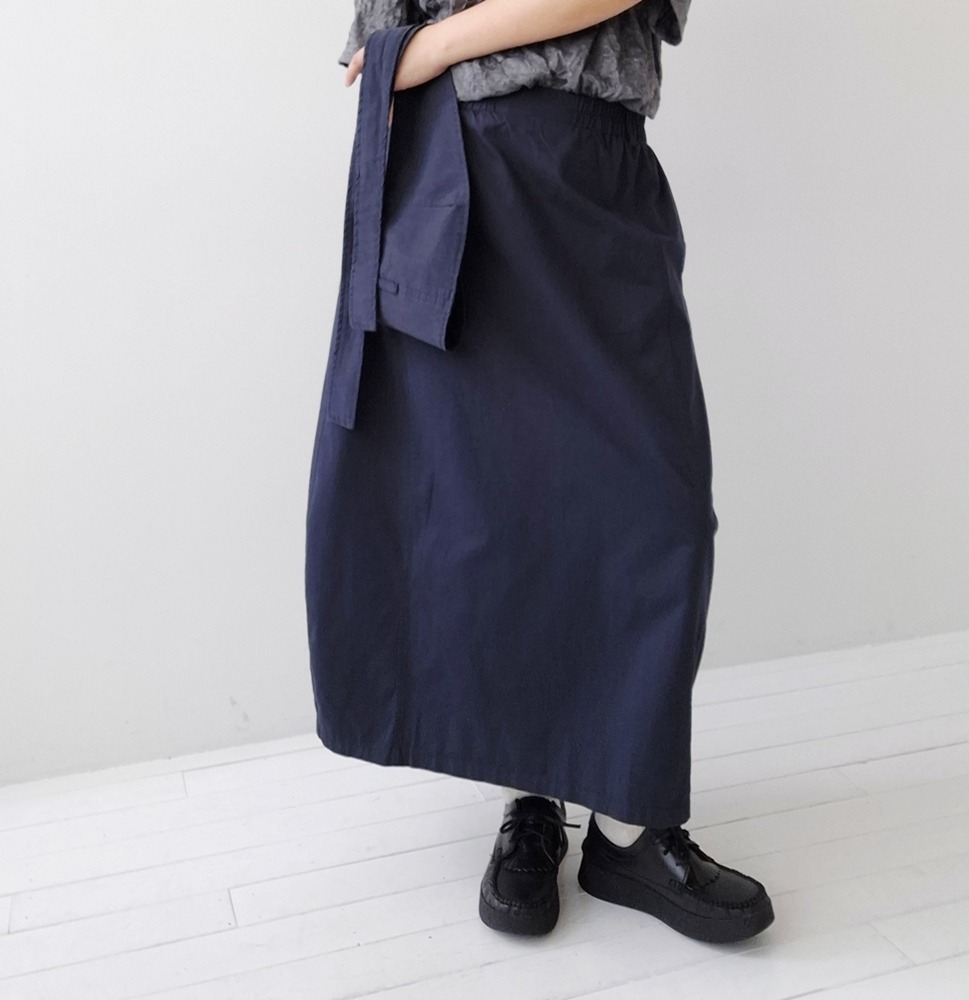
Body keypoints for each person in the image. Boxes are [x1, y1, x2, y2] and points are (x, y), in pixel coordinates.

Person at [305, 0, 775, 943]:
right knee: (501, 511)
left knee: (659, 506)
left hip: (592, 164)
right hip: (458, 170)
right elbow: (374, 43)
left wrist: (432, 45)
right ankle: (532, 799)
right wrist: (398, 53)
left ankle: (628, 825)